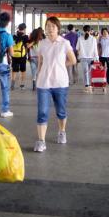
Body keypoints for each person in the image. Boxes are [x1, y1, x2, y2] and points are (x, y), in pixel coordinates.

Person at [33, 16, 77, 152]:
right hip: (43, 83)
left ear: (58, 28)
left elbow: (73, 60)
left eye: (53, 26)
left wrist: (61, 65)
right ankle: (41, 141)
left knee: (61, 111)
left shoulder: (64, 43)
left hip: (60, 82)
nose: (50, 29)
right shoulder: (42, 43)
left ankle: (62, 131)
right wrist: (37, 76)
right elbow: (40, 62)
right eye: (48, 26)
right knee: (42, 112)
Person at [77, 25, 98, 93]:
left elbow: (77, 48)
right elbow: (95, 50)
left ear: (83, 30)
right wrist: (97, 58)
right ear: (90, 31)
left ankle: (87, 86)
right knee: (91, 72)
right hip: (91, 58)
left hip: (83, 57)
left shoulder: (80, 38)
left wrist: (78, 56)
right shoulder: (93, 39)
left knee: (85, 72)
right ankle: (91, 85)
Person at [11, 23, 30, 90]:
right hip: (22, 56)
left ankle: (12, 85)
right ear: (24, 29)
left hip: (14, 56)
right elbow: (27, 46)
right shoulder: (25, 37)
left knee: (14, 70)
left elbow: (11, 45)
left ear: (18, 28)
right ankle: (22, 85)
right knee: (23, 71)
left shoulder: (13, 36)